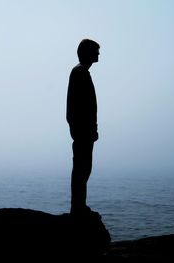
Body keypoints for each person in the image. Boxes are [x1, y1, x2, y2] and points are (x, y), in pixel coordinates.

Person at [66, 39, 100, 215]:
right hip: (82, 132)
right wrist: (84, 129)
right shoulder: (80, 73)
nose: (99, 54)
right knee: (81, 169)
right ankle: (77, 207)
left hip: (84, 131)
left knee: (83, 169)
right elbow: (77, 106)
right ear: (87, 52)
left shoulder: (81, 72)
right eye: (96, 51)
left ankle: (79, 205)